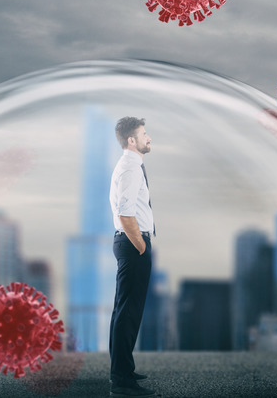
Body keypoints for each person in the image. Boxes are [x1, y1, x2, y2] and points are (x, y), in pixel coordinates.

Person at [108, 116, 156, 397]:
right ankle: (122, 381)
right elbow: (126, 213)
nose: (149, 138)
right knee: (128, 313)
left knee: (123, 311)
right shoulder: (130, 168)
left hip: (129, 242)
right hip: (132, 243)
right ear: (131, 140)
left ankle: (123, 370)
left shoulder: (131, 165)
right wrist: (140, 246)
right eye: (144, 134)